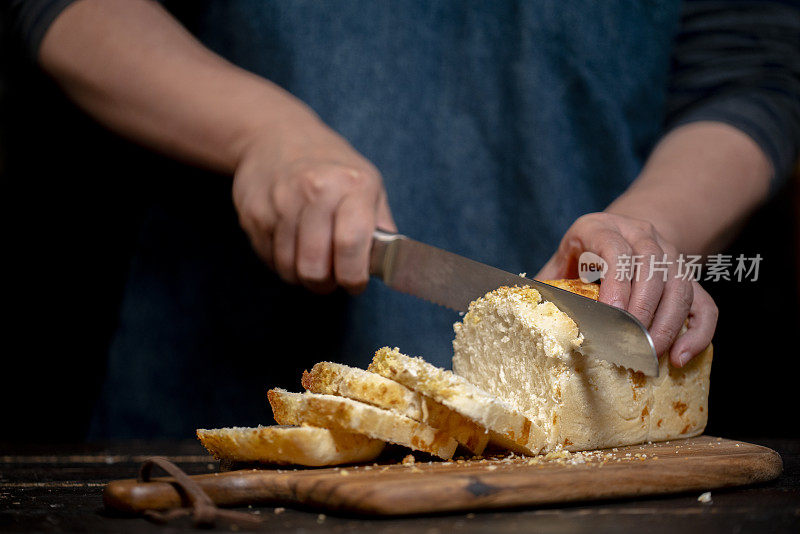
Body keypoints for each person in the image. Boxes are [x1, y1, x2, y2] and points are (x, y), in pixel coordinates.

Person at [4, 0, 799, 438]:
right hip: (211, 387)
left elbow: (752, 70)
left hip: (585, 439)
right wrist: (259, 130)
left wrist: (647, 230)